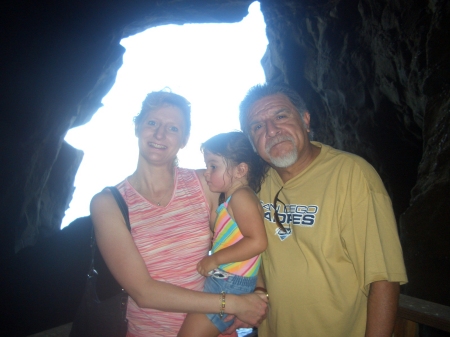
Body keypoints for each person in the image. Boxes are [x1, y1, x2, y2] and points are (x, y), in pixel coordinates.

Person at [226, 83, 408, 337]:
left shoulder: (352, 175)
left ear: (306, 120)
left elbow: (384, 278)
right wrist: (256, 294)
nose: (271, 131)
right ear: (252, 143)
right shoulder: (255, 186)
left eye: (281, 116)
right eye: (257, 126)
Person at [90, 91, 267, 337]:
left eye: (173, 128)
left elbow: (247, 238)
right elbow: (144, 292)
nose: (160, 134)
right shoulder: (109, 204)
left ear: (184, 139)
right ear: (137, 126)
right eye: (152, 123)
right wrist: (234, 304)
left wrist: (256, 295)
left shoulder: (205, 185)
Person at [178, 132, 269, 337]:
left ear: (241, 170)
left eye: (213, 166)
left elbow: (258, 242)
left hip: (229, 283)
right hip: (227, 281)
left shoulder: (241, 197)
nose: (207, 173)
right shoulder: (232, 199)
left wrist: (215, 258)